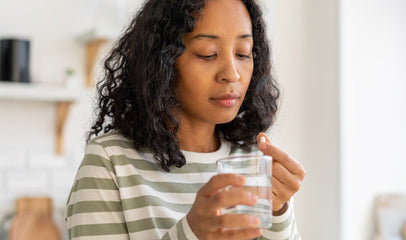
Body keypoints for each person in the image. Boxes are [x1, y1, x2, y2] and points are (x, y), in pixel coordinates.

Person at [65, 0, 306, 239]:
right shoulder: (111, 161)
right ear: (162, 62)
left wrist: (278, 212)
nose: (232, 74)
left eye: (243, 53)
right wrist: (191, 233)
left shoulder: (252, 162)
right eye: (207, 54)